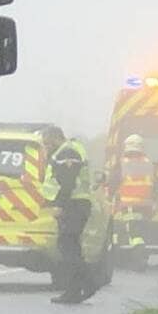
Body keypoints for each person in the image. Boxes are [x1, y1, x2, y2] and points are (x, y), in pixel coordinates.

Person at [41, 126, 96, 303]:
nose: (47, 146)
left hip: (74, 204)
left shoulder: (68, 151)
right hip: (76, 203)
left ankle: (89, 282)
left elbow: (67, 182)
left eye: (48, 142)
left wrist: (61, 206)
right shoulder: (67, 150)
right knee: (71, 246)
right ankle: (74, 290)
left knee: (67, 245)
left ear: (57, 137)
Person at [109, 134, 156, 250]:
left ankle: (137, 256)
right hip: (147, 206)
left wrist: (110, 195)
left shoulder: (121, 164)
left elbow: (113, 183)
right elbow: (157, 185)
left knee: (134, 233)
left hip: (129, 204)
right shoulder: (149, 164)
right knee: (139, 230)